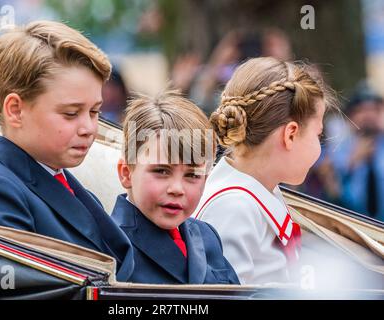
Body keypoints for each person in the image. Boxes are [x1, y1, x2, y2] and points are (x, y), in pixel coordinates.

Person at [0, 20, 134, 281]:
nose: (89, 128)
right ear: (16, 110)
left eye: (95, 111)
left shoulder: (69, 186)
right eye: (71, 113)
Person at [193, 57, 336, 284]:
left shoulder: (258, 191)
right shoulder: (233, 208)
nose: (320, 145)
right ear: (290, 135)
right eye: (318, 135)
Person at [111, 89, 239, 284]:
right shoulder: (111, 246)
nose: (177, 188)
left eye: (192, 175)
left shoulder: (207, 236)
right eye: (162, 171)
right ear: (127, 173)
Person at [328, 81, 384, 221]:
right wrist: (352, 162)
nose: (369, 115)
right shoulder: (338, 150)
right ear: (351, 116)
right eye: (362, 110)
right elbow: (332, 195)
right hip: (353, 227)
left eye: (374, 109)